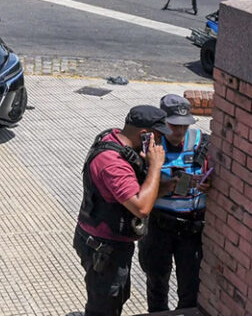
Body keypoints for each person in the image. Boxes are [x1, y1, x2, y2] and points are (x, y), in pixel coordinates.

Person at [74, 105, 168, 316]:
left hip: (109, 243)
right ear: (145, 135)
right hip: (104, 247)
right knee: (104, 307)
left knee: (117, 297)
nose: (161, 143)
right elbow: (142, 207)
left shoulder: (117, 138)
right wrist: (155, 166)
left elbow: (136, 194)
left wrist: (168, 186)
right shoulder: (113, 162)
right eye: (159, 136)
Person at [138, 94, 210, 313]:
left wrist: (208, 183)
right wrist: (167, 185)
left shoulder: (202, 143)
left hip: (191, 228)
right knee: (157, 283)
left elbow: (215, 173)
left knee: (190, 287)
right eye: (173, 126)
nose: (179, 132)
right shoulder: (147, 146)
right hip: (159, 227)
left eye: (184, 126)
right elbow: (137, 191)